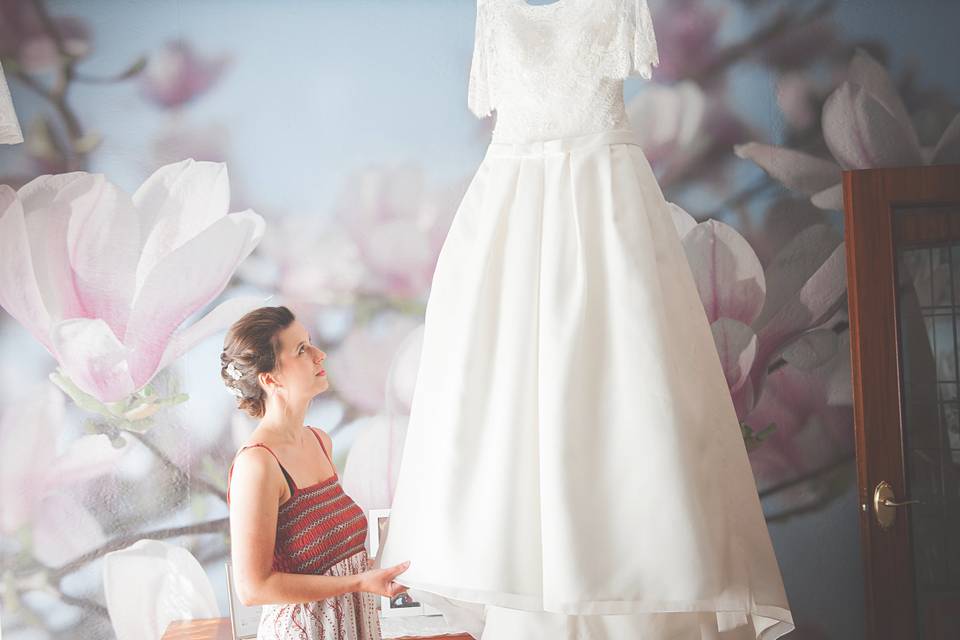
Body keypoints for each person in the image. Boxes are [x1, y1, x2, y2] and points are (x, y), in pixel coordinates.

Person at [377, 0, 795, 638]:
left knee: (627, 389)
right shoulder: (495, 13)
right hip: (514, 224)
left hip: (606, 215)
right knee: (512, 408)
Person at [223, 305, 410, 639]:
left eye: (310, 342)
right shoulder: (258, 464)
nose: (319, 354)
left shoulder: (319, 441)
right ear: (270, 378)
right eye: (301, 350)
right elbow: (253, 589)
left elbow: (331, 559)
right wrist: (357, 583)